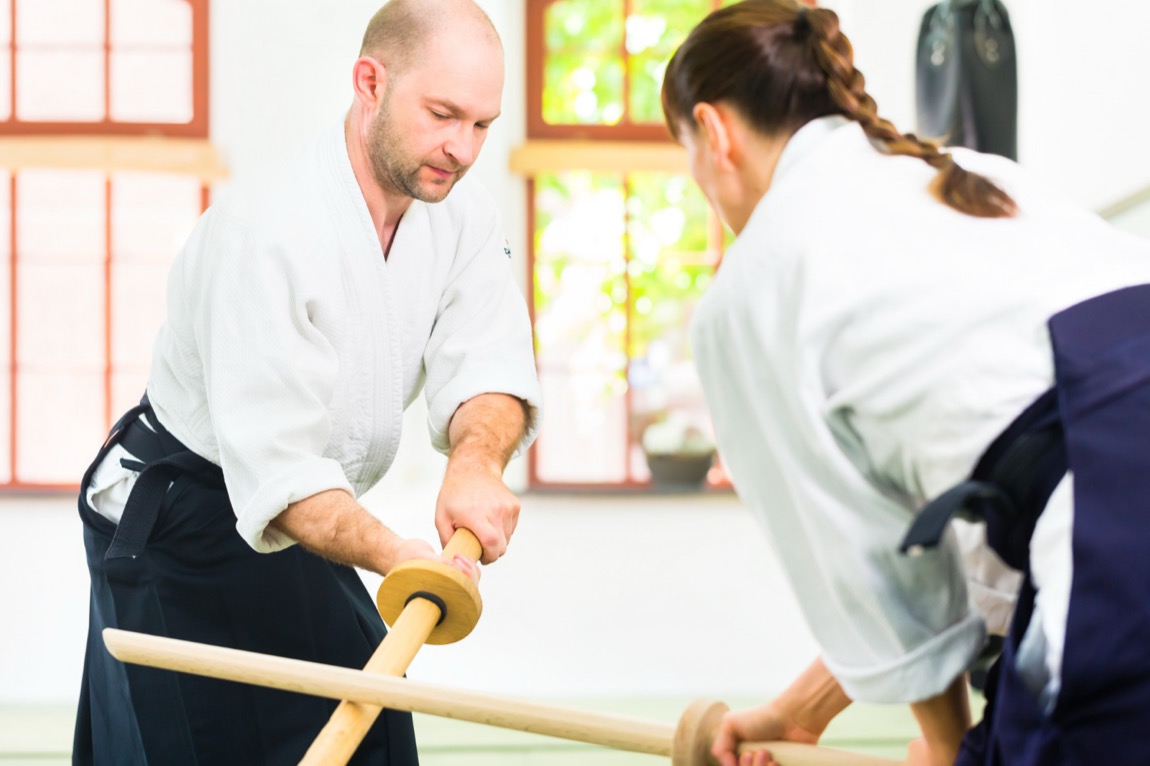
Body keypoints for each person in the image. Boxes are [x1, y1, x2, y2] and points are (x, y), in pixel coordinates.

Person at [660, 2, 1150, 765]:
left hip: (1115, 531)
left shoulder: (754, 288)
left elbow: (885, 574)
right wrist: (801, 713)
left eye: (685, 155)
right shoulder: (968, 175)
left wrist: (951, 748)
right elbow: (976, 522)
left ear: (713, 132)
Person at [73, 0, 541, 763]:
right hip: (186, 516)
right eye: (443, 114)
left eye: (483, 126)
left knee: (375, 735)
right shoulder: (265, 235)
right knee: (202, 745)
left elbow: (487, 362)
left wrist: (475, 462)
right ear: (370, 83)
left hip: (306, 510)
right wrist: (399, 556)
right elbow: (282, 476)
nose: (462, 148)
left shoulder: (462, 216)